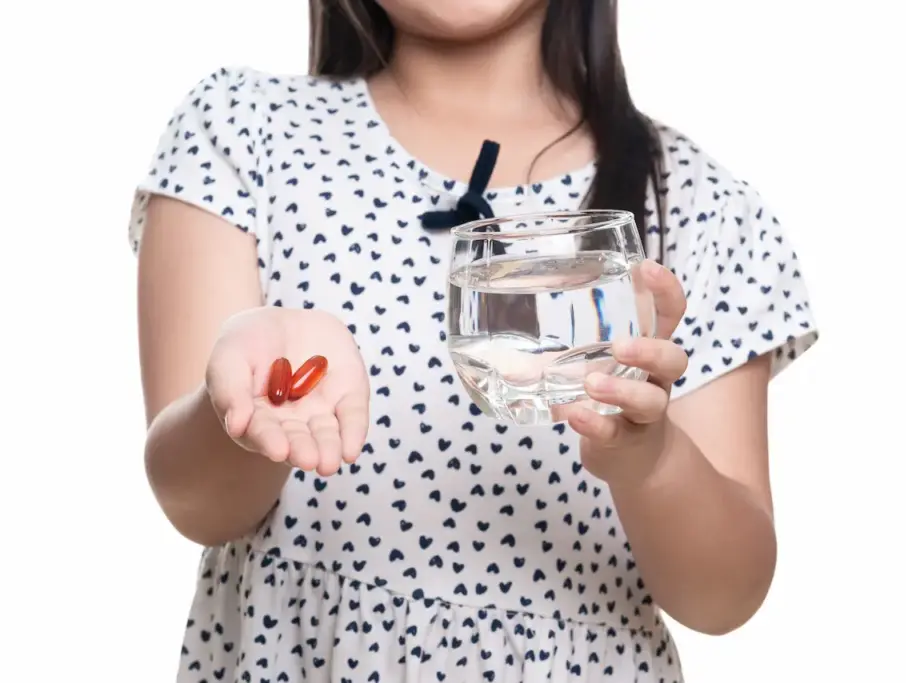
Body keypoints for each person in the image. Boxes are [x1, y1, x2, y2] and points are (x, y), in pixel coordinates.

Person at [130, 1, 818, 680]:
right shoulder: (245, 130)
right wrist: (249, 412)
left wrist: (649, 457)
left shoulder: (695, 204)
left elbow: (724, 594)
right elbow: (197, 504)